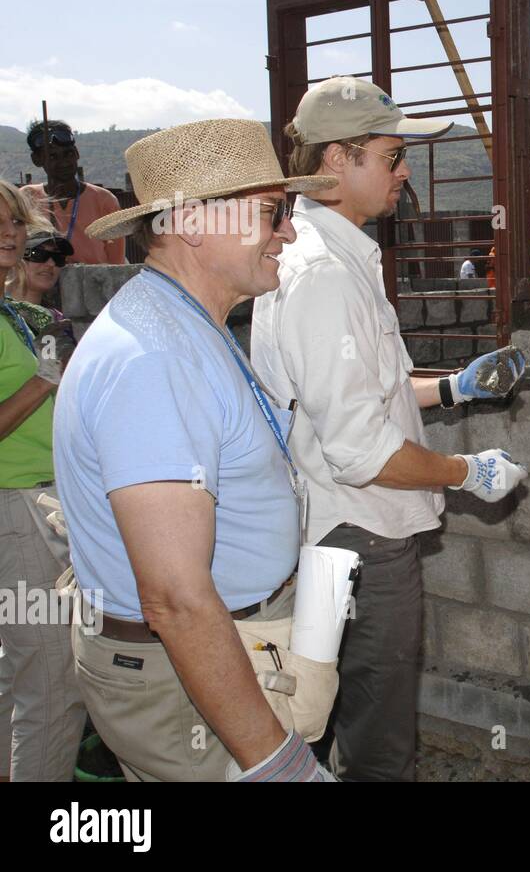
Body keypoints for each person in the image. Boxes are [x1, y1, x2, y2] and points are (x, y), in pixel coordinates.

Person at [53, 118, 346, 782]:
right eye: (272, 213)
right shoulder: (155, 359)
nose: (290, 232)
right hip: (189, 678)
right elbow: (177, 598)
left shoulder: (182, 323)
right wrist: (274, 760)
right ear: (190, 220)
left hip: (224, 654)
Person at [252, 76, 528, 782]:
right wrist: (468, 472)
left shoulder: (336, 258)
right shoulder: (324, 275)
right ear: (339, 160)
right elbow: (361, 450)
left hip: (344, 531)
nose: (403, 170)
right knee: (377, 736)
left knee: (337, 717)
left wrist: (452, 387)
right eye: (391, 153)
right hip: (360, 536)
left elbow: (363, 396)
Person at [0, 181, 83, 781]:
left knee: (18, 678)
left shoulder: (14, 313)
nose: (9, 232)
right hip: (17, 510)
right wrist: (47, 379)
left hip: (34, 502)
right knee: (54, 687)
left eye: (12, 221)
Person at [22, 120, 127, 266]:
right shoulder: (26, 199)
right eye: (52, 156)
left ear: (77, 153)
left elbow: (117, 264)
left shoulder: (104, 200)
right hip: (42, 284)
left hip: (94, 285)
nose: (63, 162)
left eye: (68, 153)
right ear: (36, 160)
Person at [6, 229, 74, 314]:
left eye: (58, 257)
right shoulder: (3, 313)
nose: (51, 263)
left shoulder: (59, 321)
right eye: (39, 254)